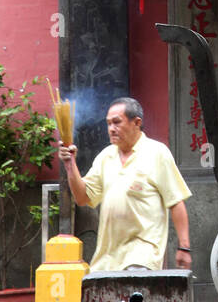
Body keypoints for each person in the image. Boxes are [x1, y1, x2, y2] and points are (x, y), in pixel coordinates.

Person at [58, 97, 192, 273]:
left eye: (117, 122)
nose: (111, 129)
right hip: (106, 259)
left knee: (133, 298)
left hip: (142, 255)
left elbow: (175, 201)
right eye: (108, 124)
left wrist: (184, 247)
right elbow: (83, 198)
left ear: (136, 122)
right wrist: (70, 165)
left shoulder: (157, 153)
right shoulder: (105, 157)